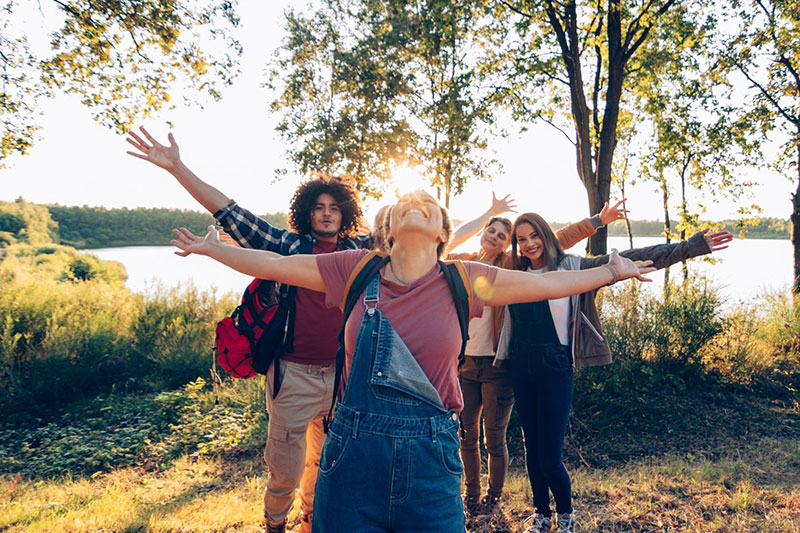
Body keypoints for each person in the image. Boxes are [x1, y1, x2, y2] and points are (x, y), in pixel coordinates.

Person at [168, 189, 656, 533]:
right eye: (406, 203)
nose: (416, 204)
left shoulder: (465, 279)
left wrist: (611, 271)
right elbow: (274, 265)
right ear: (389, 227)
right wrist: (212, 250)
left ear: (443, 231)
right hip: (352, 453)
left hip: (431, 457)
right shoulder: (354, 268)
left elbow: (548, 284)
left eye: (428, 205)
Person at [126, 127, 371, 533]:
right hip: (292, 375)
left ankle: (312, 518)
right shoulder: (288, 247)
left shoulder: (359, 253)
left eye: (334, 207)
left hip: (342, 376)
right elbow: (231, 213)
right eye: (318, 207)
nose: (326, 212)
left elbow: (418, 243)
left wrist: (483, 222)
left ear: (345, 214)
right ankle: (274, 524)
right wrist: (177, 167)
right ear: (307, 213)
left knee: (326, 461)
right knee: (285, 469)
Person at [495, 213, 733, 533]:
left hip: (556, 366)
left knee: (550, 457)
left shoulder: (573, 266)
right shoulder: (513, 271)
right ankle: (541, 515)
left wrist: (690, 247)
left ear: (545, 234)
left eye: (533, 235)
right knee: (531, 451)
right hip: (521, 366)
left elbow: (630, 259)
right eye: (521, 239)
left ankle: (566, 517)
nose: (528, 244)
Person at [449, 197, 628, 521]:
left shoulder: (508, 268)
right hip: (465, 364)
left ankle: (497, 498)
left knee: (496, 439)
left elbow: (554, 240)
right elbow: (450, 239)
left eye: (503, 236)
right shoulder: (461, 263)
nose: (495, 237)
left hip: (497, 364)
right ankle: (473, 496)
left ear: (508, 246)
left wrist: (597, 221)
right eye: (492, 231)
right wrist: (489, 213)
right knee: (467, 437)